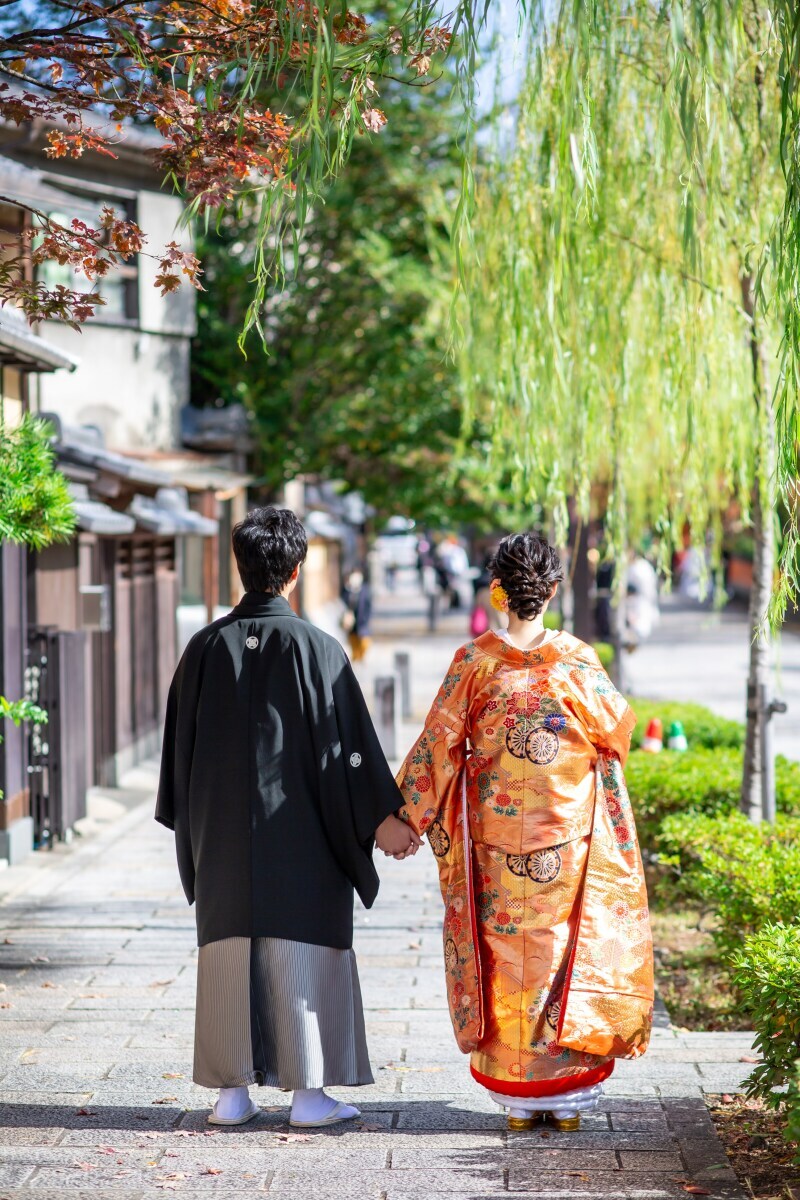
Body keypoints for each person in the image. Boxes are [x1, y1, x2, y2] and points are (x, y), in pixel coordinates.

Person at [156, 506, 421, 1129]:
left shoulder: (202, 649)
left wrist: (196, 828)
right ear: (297, 572)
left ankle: (230, 1095)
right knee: (304, 948)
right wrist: (384, 820)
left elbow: (177, 757)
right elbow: (349, 752)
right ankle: (308, 1097)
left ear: (239, 568)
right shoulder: (319, 651)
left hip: (221, 840)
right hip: (302, 839)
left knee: (228, 950)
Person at [396, 531, 653, 1132]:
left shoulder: (475, 662)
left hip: (494, 845)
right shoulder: (578, 660)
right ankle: (565, 1098)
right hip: (566, 839)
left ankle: (518, 1098)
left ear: (498, 589)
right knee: (560, 953)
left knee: (507, 955)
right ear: (554, 591)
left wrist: (406, 816)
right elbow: (617, 731)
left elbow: (438, 746)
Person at [342, 568, 373, 663]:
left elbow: (368, 604)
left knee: (365, 643)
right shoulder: (348, 590)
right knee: (353, 644)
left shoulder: (364, 590)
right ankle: (356, 660)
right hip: (352, 623)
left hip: (362, 621)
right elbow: (344, 602)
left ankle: (361, 657)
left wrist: (367, 618)